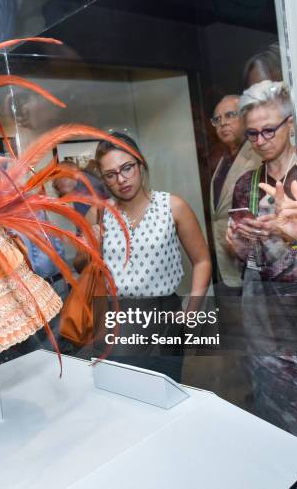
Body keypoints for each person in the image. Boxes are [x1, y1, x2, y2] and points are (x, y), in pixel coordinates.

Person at [226, 81, 297, 447]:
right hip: (268, 316)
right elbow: (250, 255)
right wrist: (239, 245)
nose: (259, 141)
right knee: (278, 410)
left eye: (268, 130)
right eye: (252, 134)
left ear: (290, 124)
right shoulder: (248, 181)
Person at [74, 132, 212, 380]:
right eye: (111, 175)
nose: (122, 179)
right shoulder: (99, 213)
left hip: (164, 313)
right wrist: (90, 246)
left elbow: (202, 261)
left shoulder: (172, 206)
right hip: (115, 318)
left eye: (127, 168)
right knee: (121, 391)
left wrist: (192, 310)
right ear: (104, 179)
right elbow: (79, 264)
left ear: (141, 164)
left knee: (166, 389)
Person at [209, 95, 260, 291]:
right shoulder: (222, 159)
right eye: (217, 119)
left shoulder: (257, 153)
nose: (223, 123)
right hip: (228, 262)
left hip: (254, 262)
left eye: (230, 115)